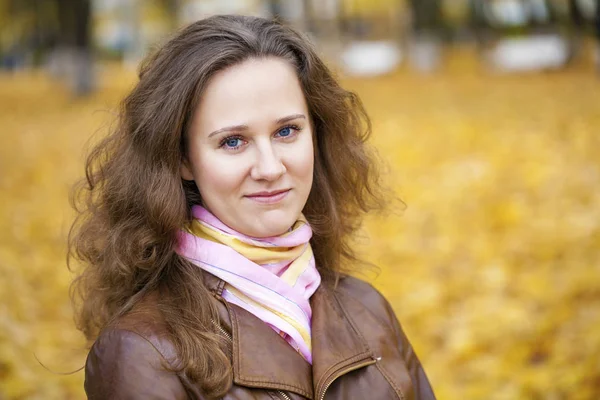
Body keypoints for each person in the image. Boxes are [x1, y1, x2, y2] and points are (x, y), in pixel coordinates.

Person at [70, 14, 436, 400]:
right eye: (233, 142)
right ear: (183, 159)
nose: (270, 168)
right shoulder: (141, 351)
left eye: (286, 131)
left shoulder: (367, 307)